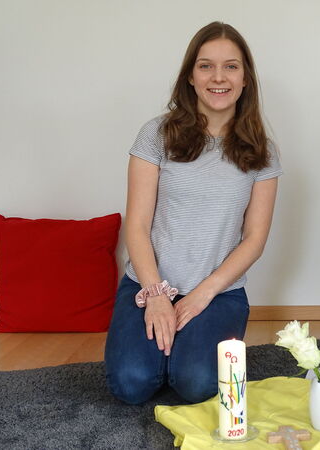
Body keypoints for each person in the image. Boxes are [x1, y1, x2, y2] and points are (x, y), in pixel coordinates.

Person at [105, 22, 282, 405]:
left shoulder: (262, 151)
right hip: (147, 285)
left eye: (231, 66)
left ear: (246, 78)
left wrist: (202, 295)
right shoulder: (155, 134)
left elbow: (254, 240)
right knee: (130, 384)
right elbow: (136, 226)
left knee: (198, 384)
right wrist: (155, 296)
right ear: (190, 75)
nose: (218, 77)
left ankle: (180, 357)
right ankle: (165, 354)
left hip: (218, 292)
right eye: (206, 66)